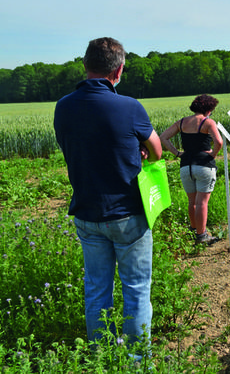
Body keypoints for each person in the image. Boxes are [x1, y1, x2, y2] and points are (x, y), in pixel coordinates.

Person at [54, 37, 162, 349]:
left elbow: (76, 149)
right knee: (137, 289)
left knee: (96, 289)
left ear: (85, 65)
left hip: (87, 213)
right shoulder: (129, 106)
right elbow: (155, 151)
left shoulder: (63, 106)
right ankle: (137, 360)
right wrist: (136, 152)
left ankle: (100, 356)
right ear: (119, 71)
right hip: (128, 213)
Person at [160, 94, 223, 245]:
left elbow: (163, 137)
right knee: (202, 202)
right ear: (208, 109)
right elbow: (219, 141)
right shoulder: (208, 122)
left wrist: (177, 153)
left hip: (186, 165)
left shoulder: (182, 122)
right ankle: (202, 236)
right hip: (203, 165)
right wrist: (213, 154)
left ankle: (194, 230)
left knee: (192, 201)